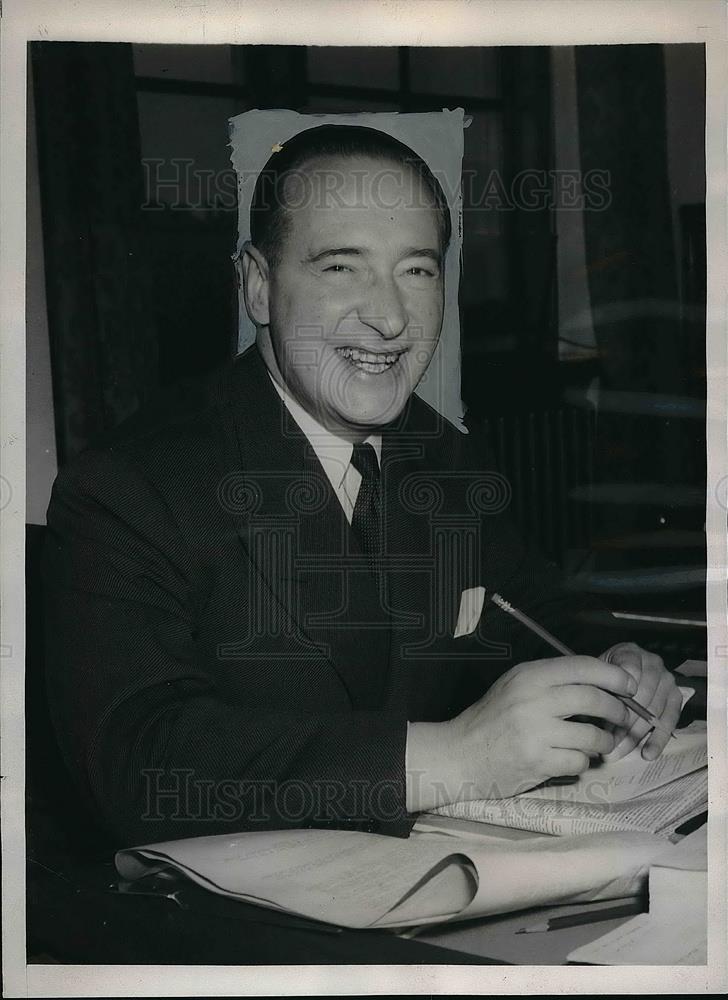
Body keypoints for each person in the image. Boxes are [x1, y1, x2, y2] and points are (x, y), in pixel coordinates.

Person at [42, 124, 682, 847]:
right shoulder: (129, 487)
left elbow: (537, 604)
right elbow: (138, 765)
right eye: (341, 268)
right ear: (257, 284)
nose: (389, 318)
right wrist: (456, 758)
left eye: (418, 271)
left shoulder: (446, 455)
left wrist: (613, 665)